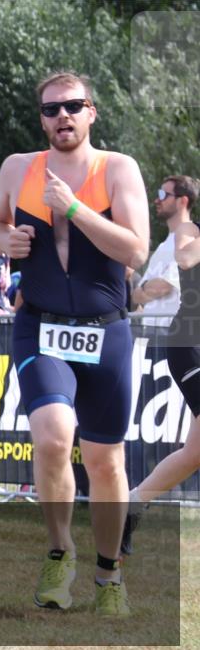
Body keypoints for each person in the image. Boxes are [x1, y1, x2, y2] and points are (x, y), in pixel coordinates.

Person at [0, 71, 150, 616]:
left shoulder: (117, 169)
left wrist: (75, 208)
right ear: (42, 118)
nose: (63, 117)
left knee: (106, 462)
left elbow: (136, 252)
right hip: (40, 324)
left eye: (73, 107)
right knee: (54, 437)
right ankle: (60, 551)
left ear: (91, 112)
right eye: (52, 109)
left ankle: (109, 575)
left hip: (106, 329)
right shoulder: (18, 167)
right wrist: (1, 237)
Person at [122, 175, 200, 556]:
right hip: (189, 344)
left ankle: (132, 504)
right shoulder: (189, 230)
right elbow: (185, 259)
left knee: (194, 453)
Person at [131, 176, 192, 328]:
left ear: (182, 201)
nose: (157, 200)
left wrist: (146, 288)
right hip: (153, 334)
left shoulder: (191, 240)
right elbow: (137, 296)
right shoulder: (163, 246)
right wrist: (149, 288)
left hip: (174, 335)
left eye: (163, 195)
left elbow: (164, 286)